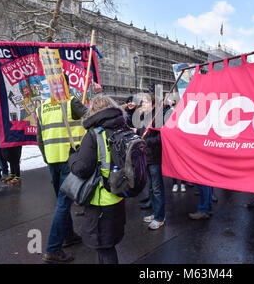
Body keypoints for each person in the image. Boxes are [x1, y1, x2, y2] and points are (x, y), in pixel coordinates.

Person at [68, 95, 126, 264]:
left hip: (100, 200)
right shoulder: (123, 128)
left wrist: (72, 157)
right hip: (118, 194)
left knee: (104, 248)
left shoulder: (94, 134)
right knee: (108, 245)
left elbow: (82, 169)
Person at [37, 88, 88, 263]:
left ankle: (68, 235)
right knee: (63, 204)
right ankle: (53, 249)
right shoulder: (71, 101)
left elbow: (39, 138)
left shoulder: (42, 105)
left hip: (53, 159)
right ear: (64, 85)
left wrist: (47, 157)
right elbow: (90, 118)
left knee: (62, 202)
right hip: (69, 158)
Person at [133, 93, 165, 230]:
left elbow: (161, 138)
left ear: (153, 105)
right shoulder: (142, 116)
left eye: (146, 102)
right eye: (142, 102)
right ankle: (155, 212)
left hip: (155, 157)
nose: (142, 104)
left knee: (157, 189)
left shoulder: (158, 117)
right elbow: (142, 131)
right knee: (151, 187)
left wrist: (144, 141)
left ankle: (160, 217)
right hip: (146, 156)